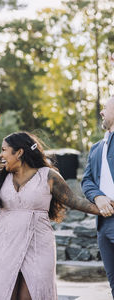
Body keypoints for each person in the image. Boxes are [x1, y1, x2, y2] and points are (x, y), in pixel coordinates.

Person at [0, 131, 102, 300]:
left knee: (33, 294)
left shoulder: (48, 176)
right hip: (6, 244)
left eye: (4, 150)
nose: (1, 154)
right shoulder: (1, 178)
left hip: (38, 245)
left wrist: (102, 209)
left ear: (19, 152)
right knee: (5, 293)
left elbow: (74, 201)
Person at [82, 96, 114, 299]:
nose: (101, 112)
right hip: (103, 225)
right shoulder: (96, 148)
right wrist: (98, 197)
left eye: (105, 107)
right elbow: (86, 181)